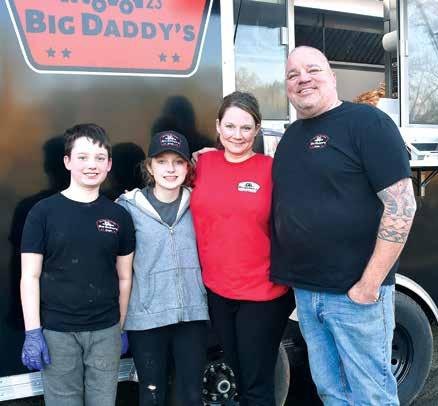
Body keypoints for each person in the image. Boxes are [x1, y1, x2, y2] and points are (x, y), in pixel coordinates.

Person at [270, 46, 417, 405]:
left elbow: (401, 205)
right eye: (293, 74)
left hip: (356, 296)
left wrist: (368, 286)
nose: (303, 79)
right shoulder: (290, 138)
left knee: (371, 395)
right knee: (331, 392)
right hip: (308, 295)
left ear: (332, 77)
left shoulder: (367, 123)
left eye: (313, 70)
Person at [190, 91, 294, 406]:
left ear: (257, 129)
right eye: (230, 126)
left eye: (246, 127)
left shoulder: (271, 169)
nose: (237, 135)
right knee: (237, 377)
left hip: (263, 294)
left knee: (256, 386)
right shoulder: (202, 163)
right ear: (218, 126)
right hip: (218, 292)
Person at [20, 123, 135, 406]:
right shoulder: (42, 213)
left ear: (109, 164)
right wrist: (33, 332)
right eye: (82, 157)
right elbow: (30, 276)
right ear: (67, 161)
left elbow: (125, 277)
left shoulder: (119, 216)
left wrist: (120, 328)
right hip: (57, 333)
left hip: (106, 332)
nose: (91, 165)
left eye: (99, 158)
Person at [116, 130, 209, 406]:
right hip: (146, 318)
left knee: (191, 395)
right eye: (161, 161)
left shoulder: (200, 202)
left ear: (188, 167)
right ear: (149, 167)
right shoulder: (127, 208)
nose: (170, 169)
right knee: (152, 393)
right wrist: (119, 323)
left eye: (178, 162)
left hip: (191, 315)